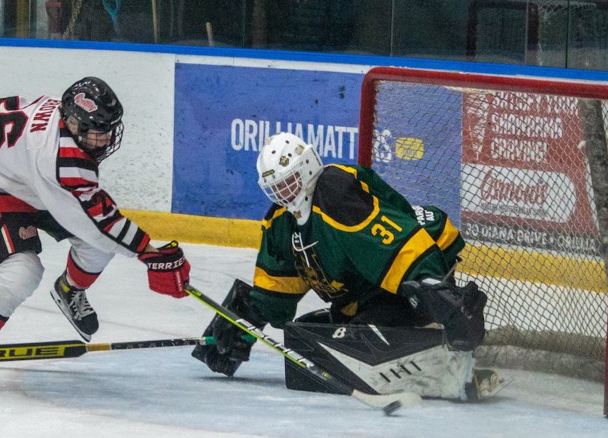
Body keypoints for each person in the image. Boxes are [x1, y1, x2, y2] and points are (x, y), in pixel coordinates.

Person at [192, 132, 498, 402]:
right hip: (367, 288)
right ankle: (423, 334)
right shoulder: (281, 223)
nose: (285, 194)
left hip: (424, 256)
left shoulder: (334, 192)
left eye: (289, 182)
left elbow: (390, 243)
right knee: (313, 334)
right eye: (276, 188)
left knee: (360, 339)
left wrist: (431, 285)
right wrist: (244, 321)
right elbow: (278, 294)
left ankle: (446, 353)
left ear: (308, 166)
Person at [0, 76, 191, 394]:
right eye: (101, 132)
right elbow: (101, 222)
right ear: (73, 123)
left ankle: (69, 290)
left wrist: (146, 252)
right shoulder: (62, 161)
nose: (108, 138)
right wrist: (151, 255)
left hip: (25, 174)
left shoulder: (65, 137)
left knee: (99, 246)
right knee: (23, 273)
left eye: (110, 129)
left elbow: (96, 222)